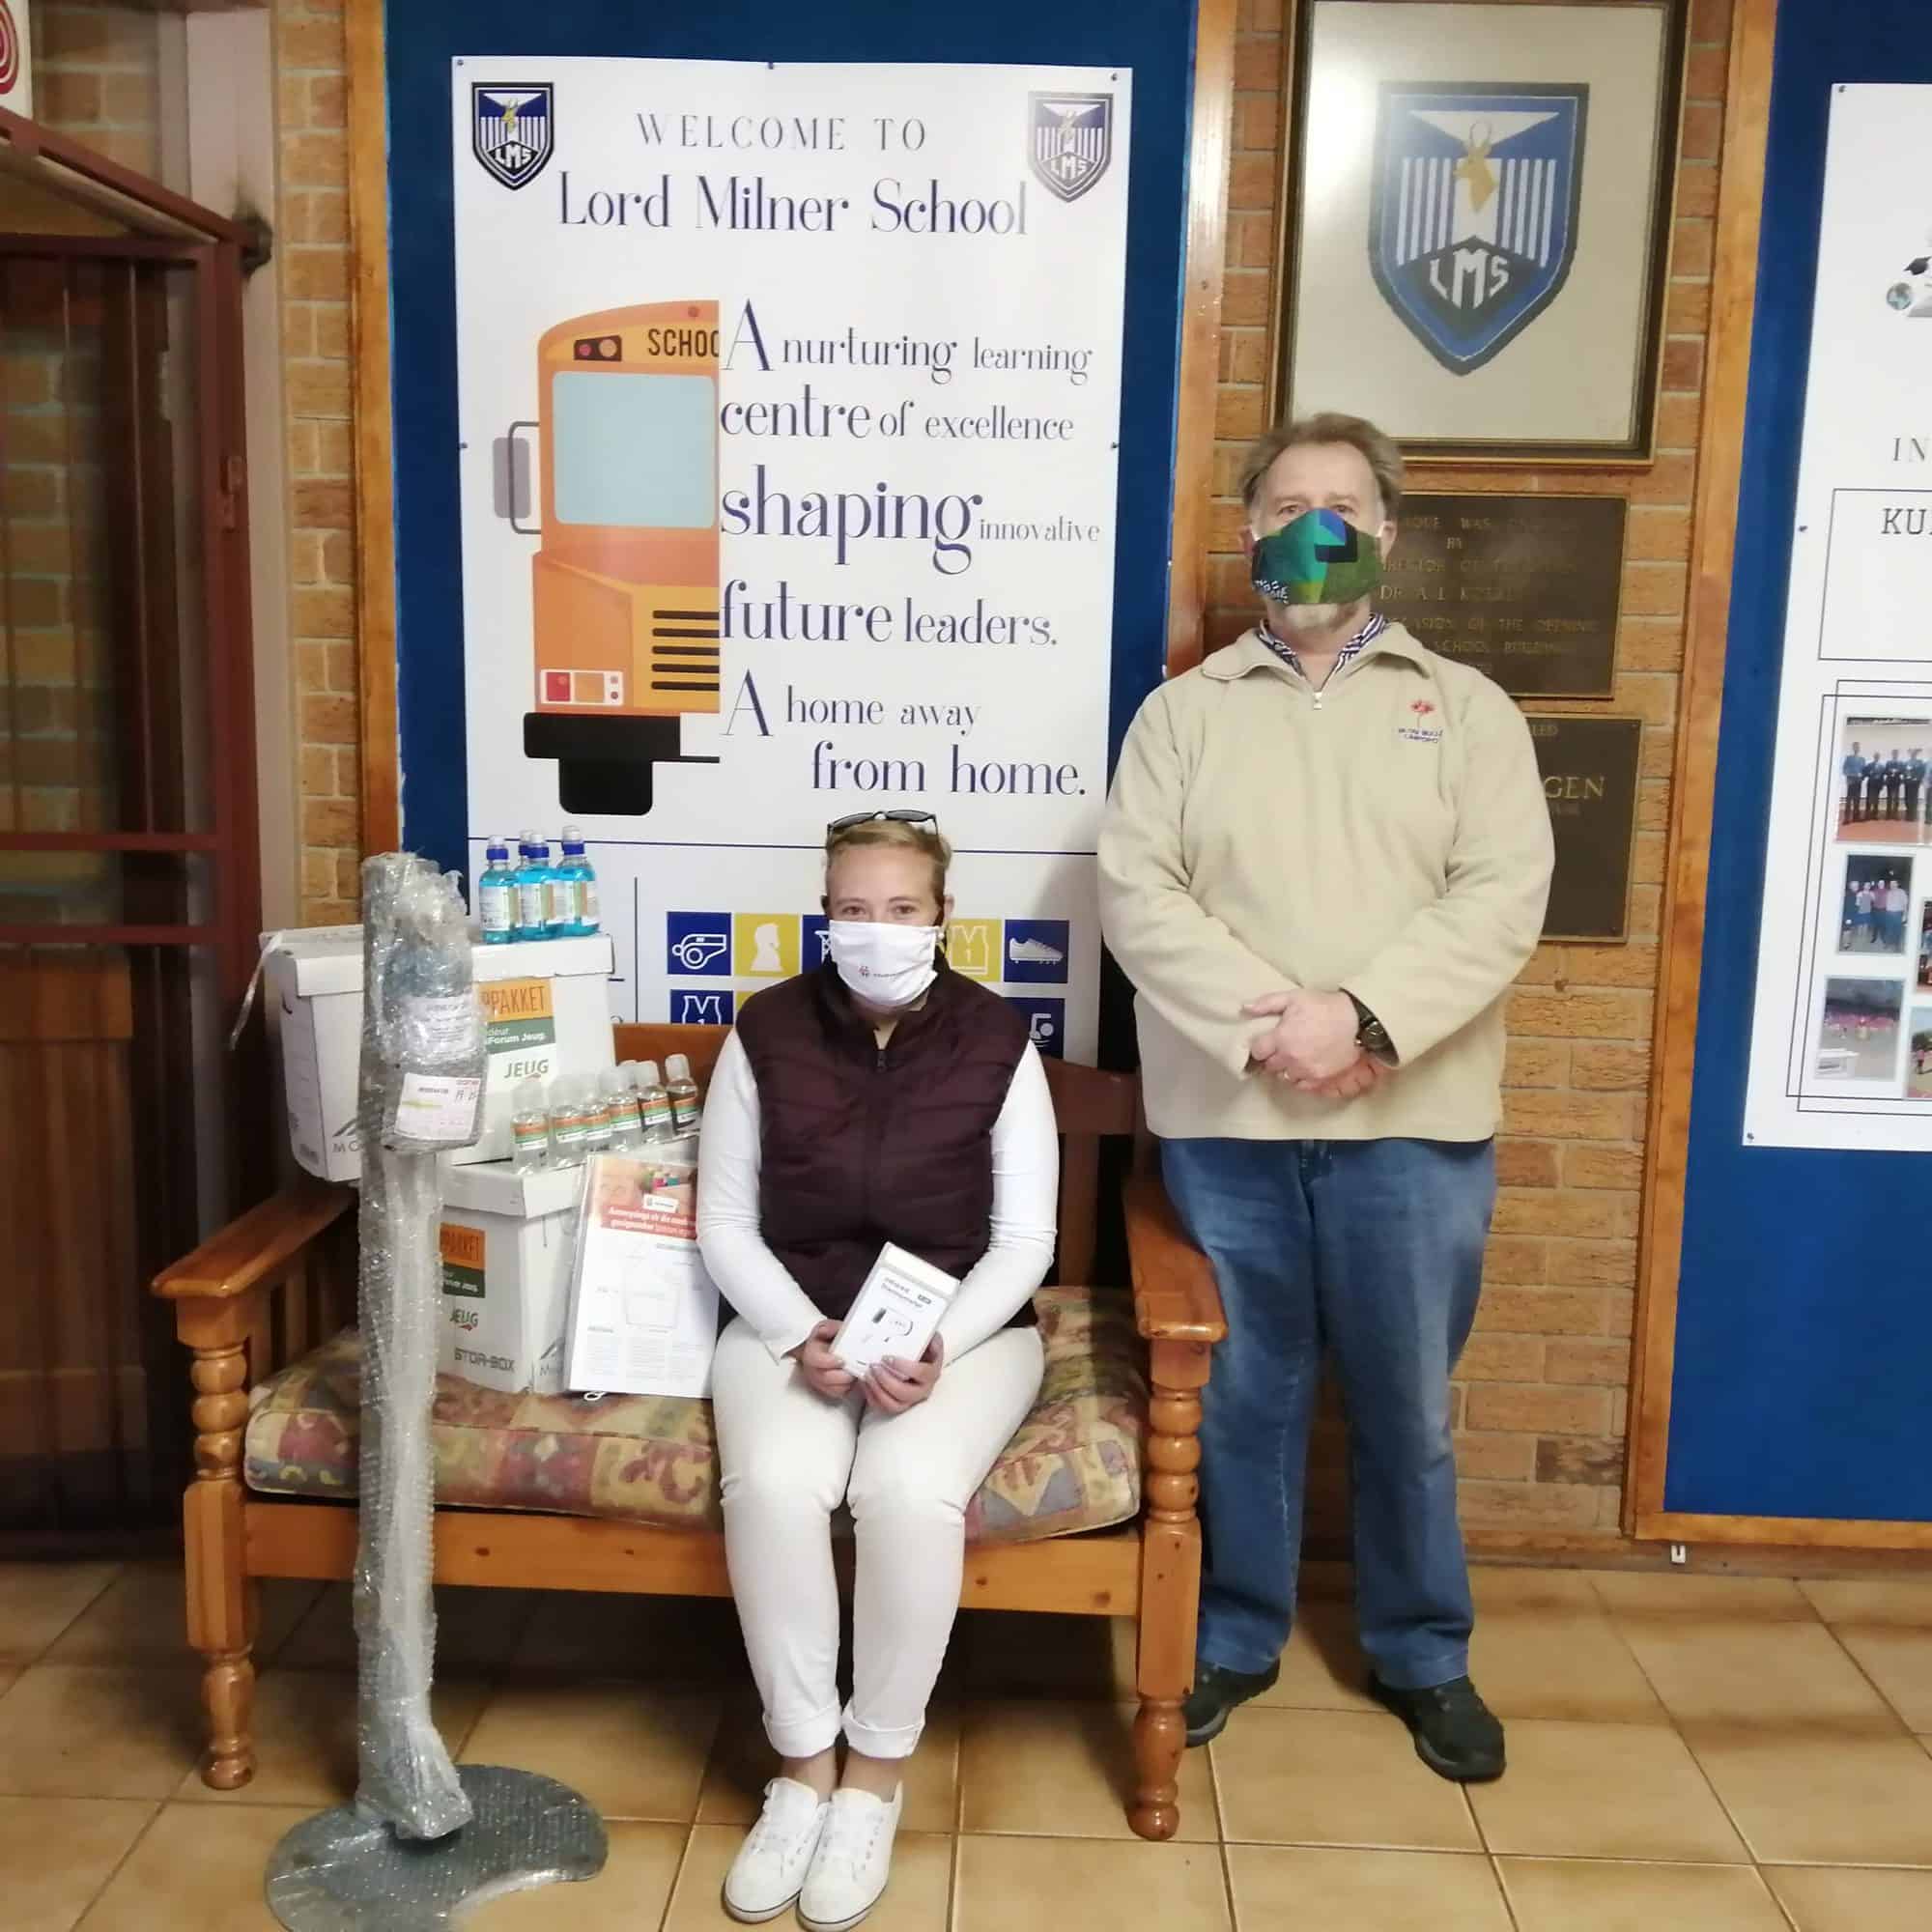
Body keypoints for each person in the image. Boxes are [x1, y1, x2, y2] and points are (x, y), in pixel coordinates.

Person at [1098, 412, 1553, 1784]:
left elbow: (1501, 896)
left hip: (1410, 1124)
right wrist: (1279, 1029)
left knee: (1405, 1408)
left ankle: (1422, 1653)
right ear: (1248, 533)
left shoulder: (1464, 710)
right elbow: (1138, 894)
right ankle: (1234, 1632)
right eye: (1287, 504)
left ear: (1385, 533)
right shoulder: (1183, 715)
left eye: (1342, 507)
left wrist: (1359, 1020)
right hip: (1230, 1124)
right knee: (1240, 1396)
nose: (1314, 528)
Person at [696, 810, 1056, 1930]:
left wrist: (942, 1339)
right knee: (773, 1483)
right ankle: (801, 1767)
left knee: (904, 1488)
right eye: (852, 908)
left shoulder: (997, 1037)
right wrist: (795, 1329)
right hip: (793, 1319)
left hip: (963, 1332)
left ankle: (872, 1778)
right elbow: (723, 1222)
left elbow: (1023, 1239)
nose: (876, 928)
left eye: (901, 908)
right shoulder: (764, 1029)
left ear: (943, 915)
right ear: (823, 912)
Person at [1843, 741, 1867, 825]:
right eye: (1855, 746)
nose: (1857, 748)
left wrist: (1862, 777)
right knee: (1849, 800)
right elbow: (1845, 769)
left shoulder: (1862, 759)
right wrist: (1851, 775)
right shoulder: (1849, 758)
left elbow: (1864, 770)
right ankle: (1846, 818)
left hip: (1858, 781)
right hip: (1851, 781)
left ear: (1859, 748)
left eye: (1858, 747)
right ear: (1853, 748)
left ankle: (1856, 817)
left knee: (1857, 799)